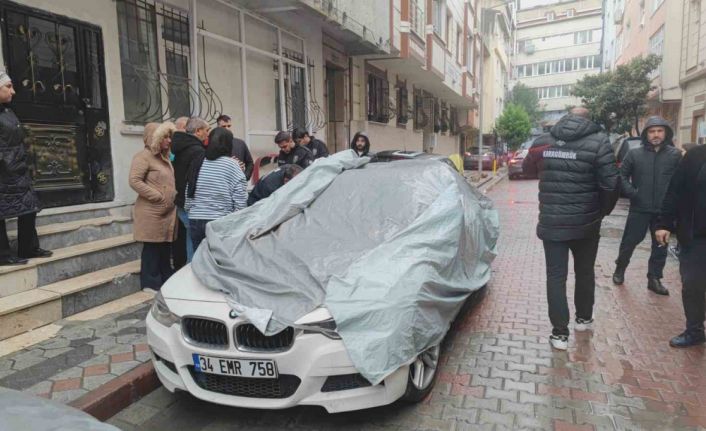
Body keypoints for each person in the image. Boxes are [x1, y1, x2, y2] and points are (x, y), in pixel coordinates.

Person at [533, 107, 620, 351]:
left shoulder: (545, 141)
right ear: (588, 120)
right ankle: (583, 319)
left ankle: (559, 334)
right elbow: (611, 184)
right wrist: (601, 212)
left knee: (555, 277)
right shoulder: (599, 142)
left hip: (552, 222)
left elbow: (532, 167)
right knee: (584, 272)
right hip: (586, 224)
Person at [612, 116, 681, 295]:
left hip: (663, 212)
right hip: (639, 208)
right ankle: (620, 269)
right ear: (646, 134)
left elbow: (681, 181)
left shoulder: (674, 155)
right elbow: (621, 176)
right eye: (652, 131)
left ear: (666, 133)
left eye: (659, 131)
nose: (656, 135)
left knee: (660, 246)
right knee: (629, 242)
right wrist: (633, 193)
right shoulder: (635, 154)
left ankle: (654, 278)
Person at [656, 144, 706, 347]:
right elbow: (674, 190)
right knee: (693, 284)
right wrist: (664, 223)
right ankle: (694, 331)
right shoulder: (696, 155)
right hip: (697, 235)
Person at [0, 71, 52, 265]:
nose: (13, 91)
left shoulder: (7, 110)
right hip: (3, 171)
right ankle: (3, 256)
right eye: (8, 86)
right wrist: (5, 160)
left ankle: (28, 248)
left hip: (18, 168)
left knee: (29, 206)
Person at [129, 122, 178, 292]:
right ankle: (149, 283)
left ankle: (165, 279)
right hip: (151, 211)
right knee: (152, 247)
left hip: (166, 212)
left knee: (164, 247)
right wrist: (156, 195)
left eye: (169, 136)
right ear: (154, 138)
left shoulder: (164, 157)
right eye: (165, 136)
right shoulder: (142, 157)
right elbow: (134, 181)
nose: (169, 140)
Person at [185, 127, 247, 251]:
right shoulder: (232, 165)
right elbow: (240, 198)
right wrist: (236, 220)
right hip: (220, 221)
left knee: (198, 259)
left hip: (196, 219)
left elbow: (189, 190)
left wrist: (192, 210)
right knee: (218, 262)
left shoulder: (198, 161)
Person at [171, 117, 208, 267]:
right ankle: (192, 273)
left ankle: (189, 270)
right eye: (206, 130)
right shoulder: (197, 151)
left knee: (189, 237)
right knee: (195, 241)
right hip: (190, 202)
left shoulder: (181, 147)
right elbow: (194, 179)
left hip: (181, 200)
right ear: (198, 131)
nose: (208, 134)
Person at [216, 114, 254, 180]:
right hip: (220, 182)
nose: (227, 128)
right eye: (224, 126)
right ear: (218, 127)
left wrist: (245, 176)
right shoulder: (213, 144)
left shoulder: (240, 143)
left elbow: (250, 163)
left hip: (238, 182)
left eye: (229, 126)